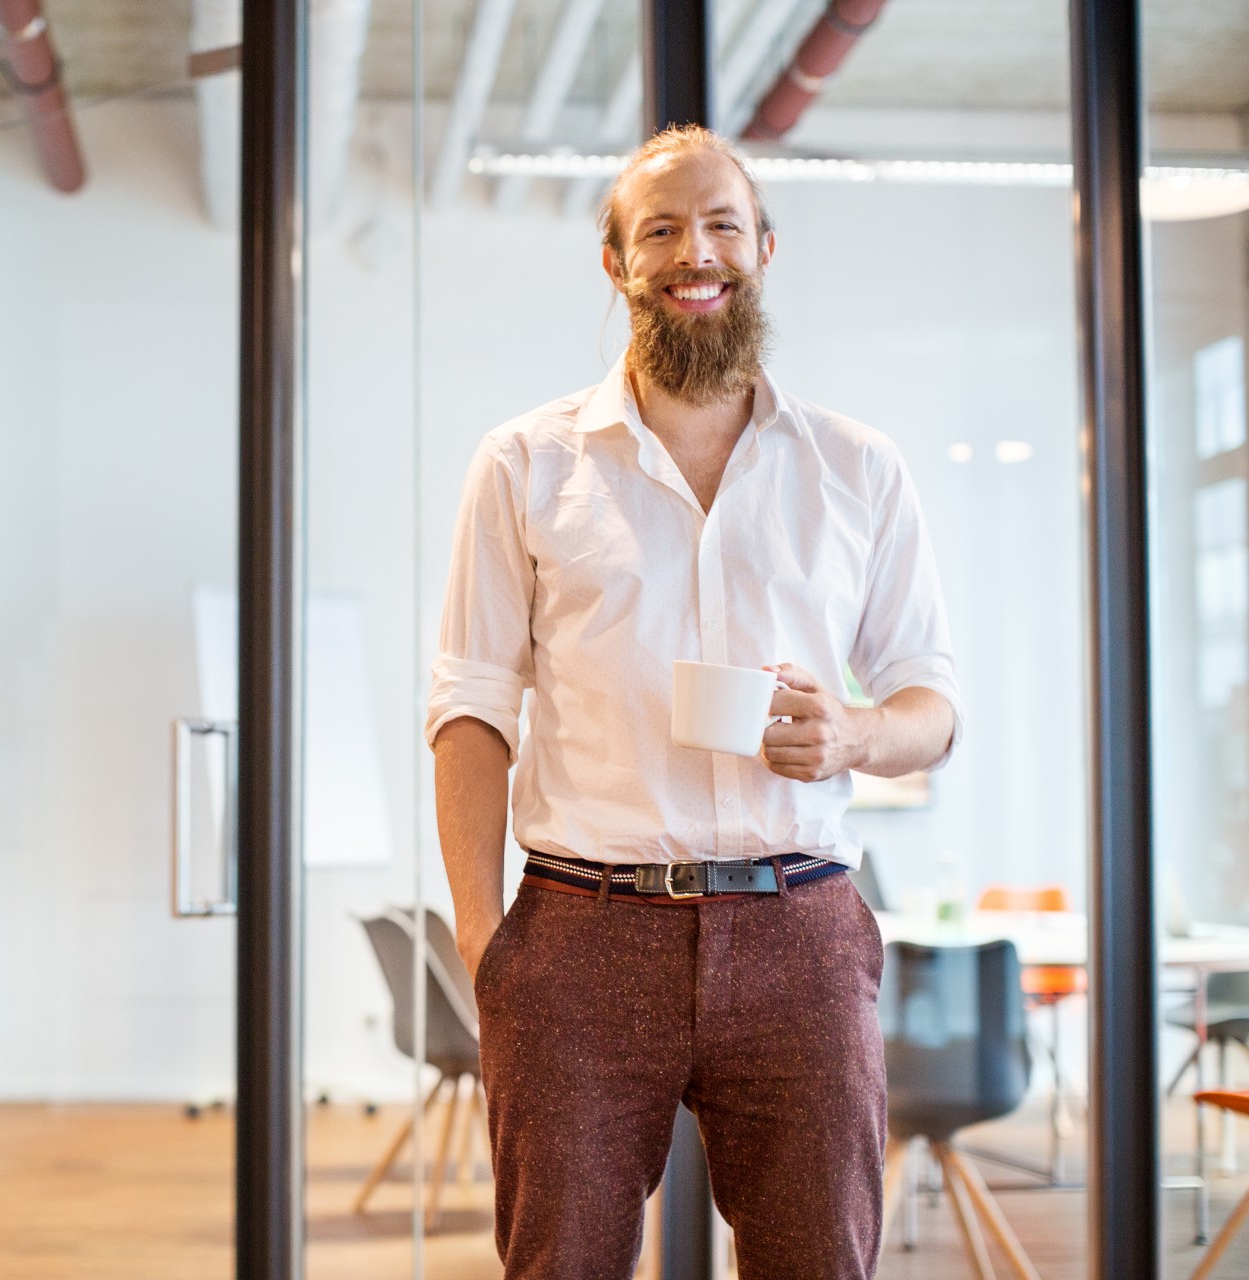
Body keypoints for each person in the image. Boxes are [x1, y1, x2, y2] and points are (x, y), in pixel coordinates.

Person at [424, 124, 961, 1279]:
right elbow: (470, 707)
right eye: (659, 229)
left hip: (802, 925)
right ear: (616, 264)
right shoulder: (525, 463)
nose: (694, 250)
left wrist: (860, 733)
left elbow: (935, 700)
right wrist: (488, 950)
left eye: (721, 223)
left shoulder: (856, 467)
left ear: (763, 247)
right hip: (580, 929)